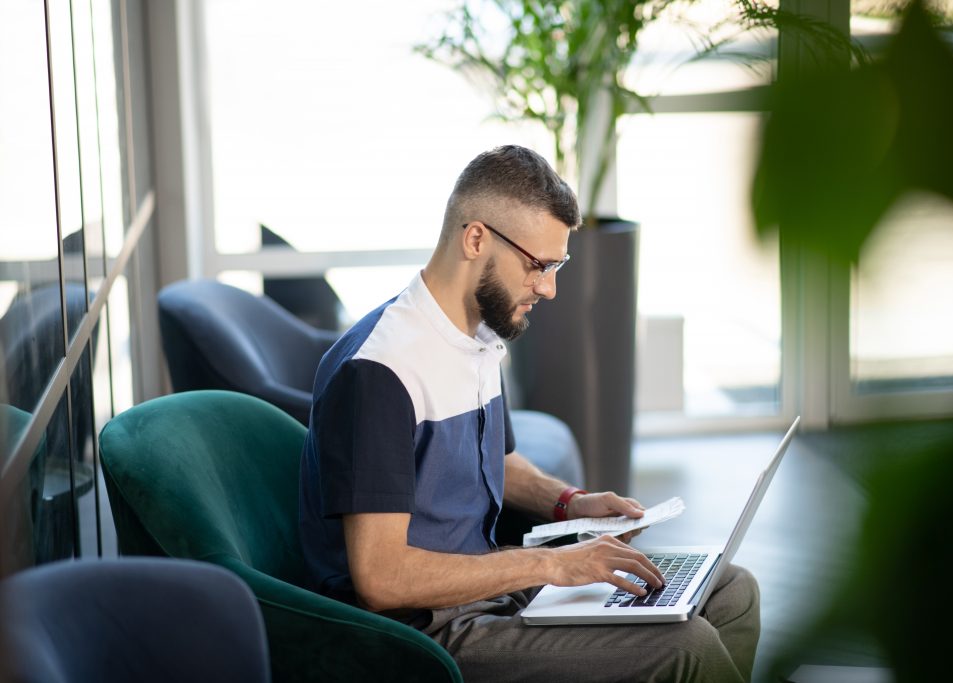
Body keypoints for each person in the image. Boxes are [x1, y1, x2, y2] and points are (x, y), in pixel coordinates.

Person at [299, 145, 760, 682]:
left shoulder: (478, 335)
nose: (549, 287)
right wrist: (552, 564)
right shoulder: (381, 371)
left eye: (556, 265)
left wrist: (571, 502)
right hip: (422, 632)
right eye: (537, 265)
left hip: (489, 586)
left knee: (730, 590)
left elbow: (500, 462)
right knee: (689, 646)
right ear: (475, 239)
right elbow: (382, 579)